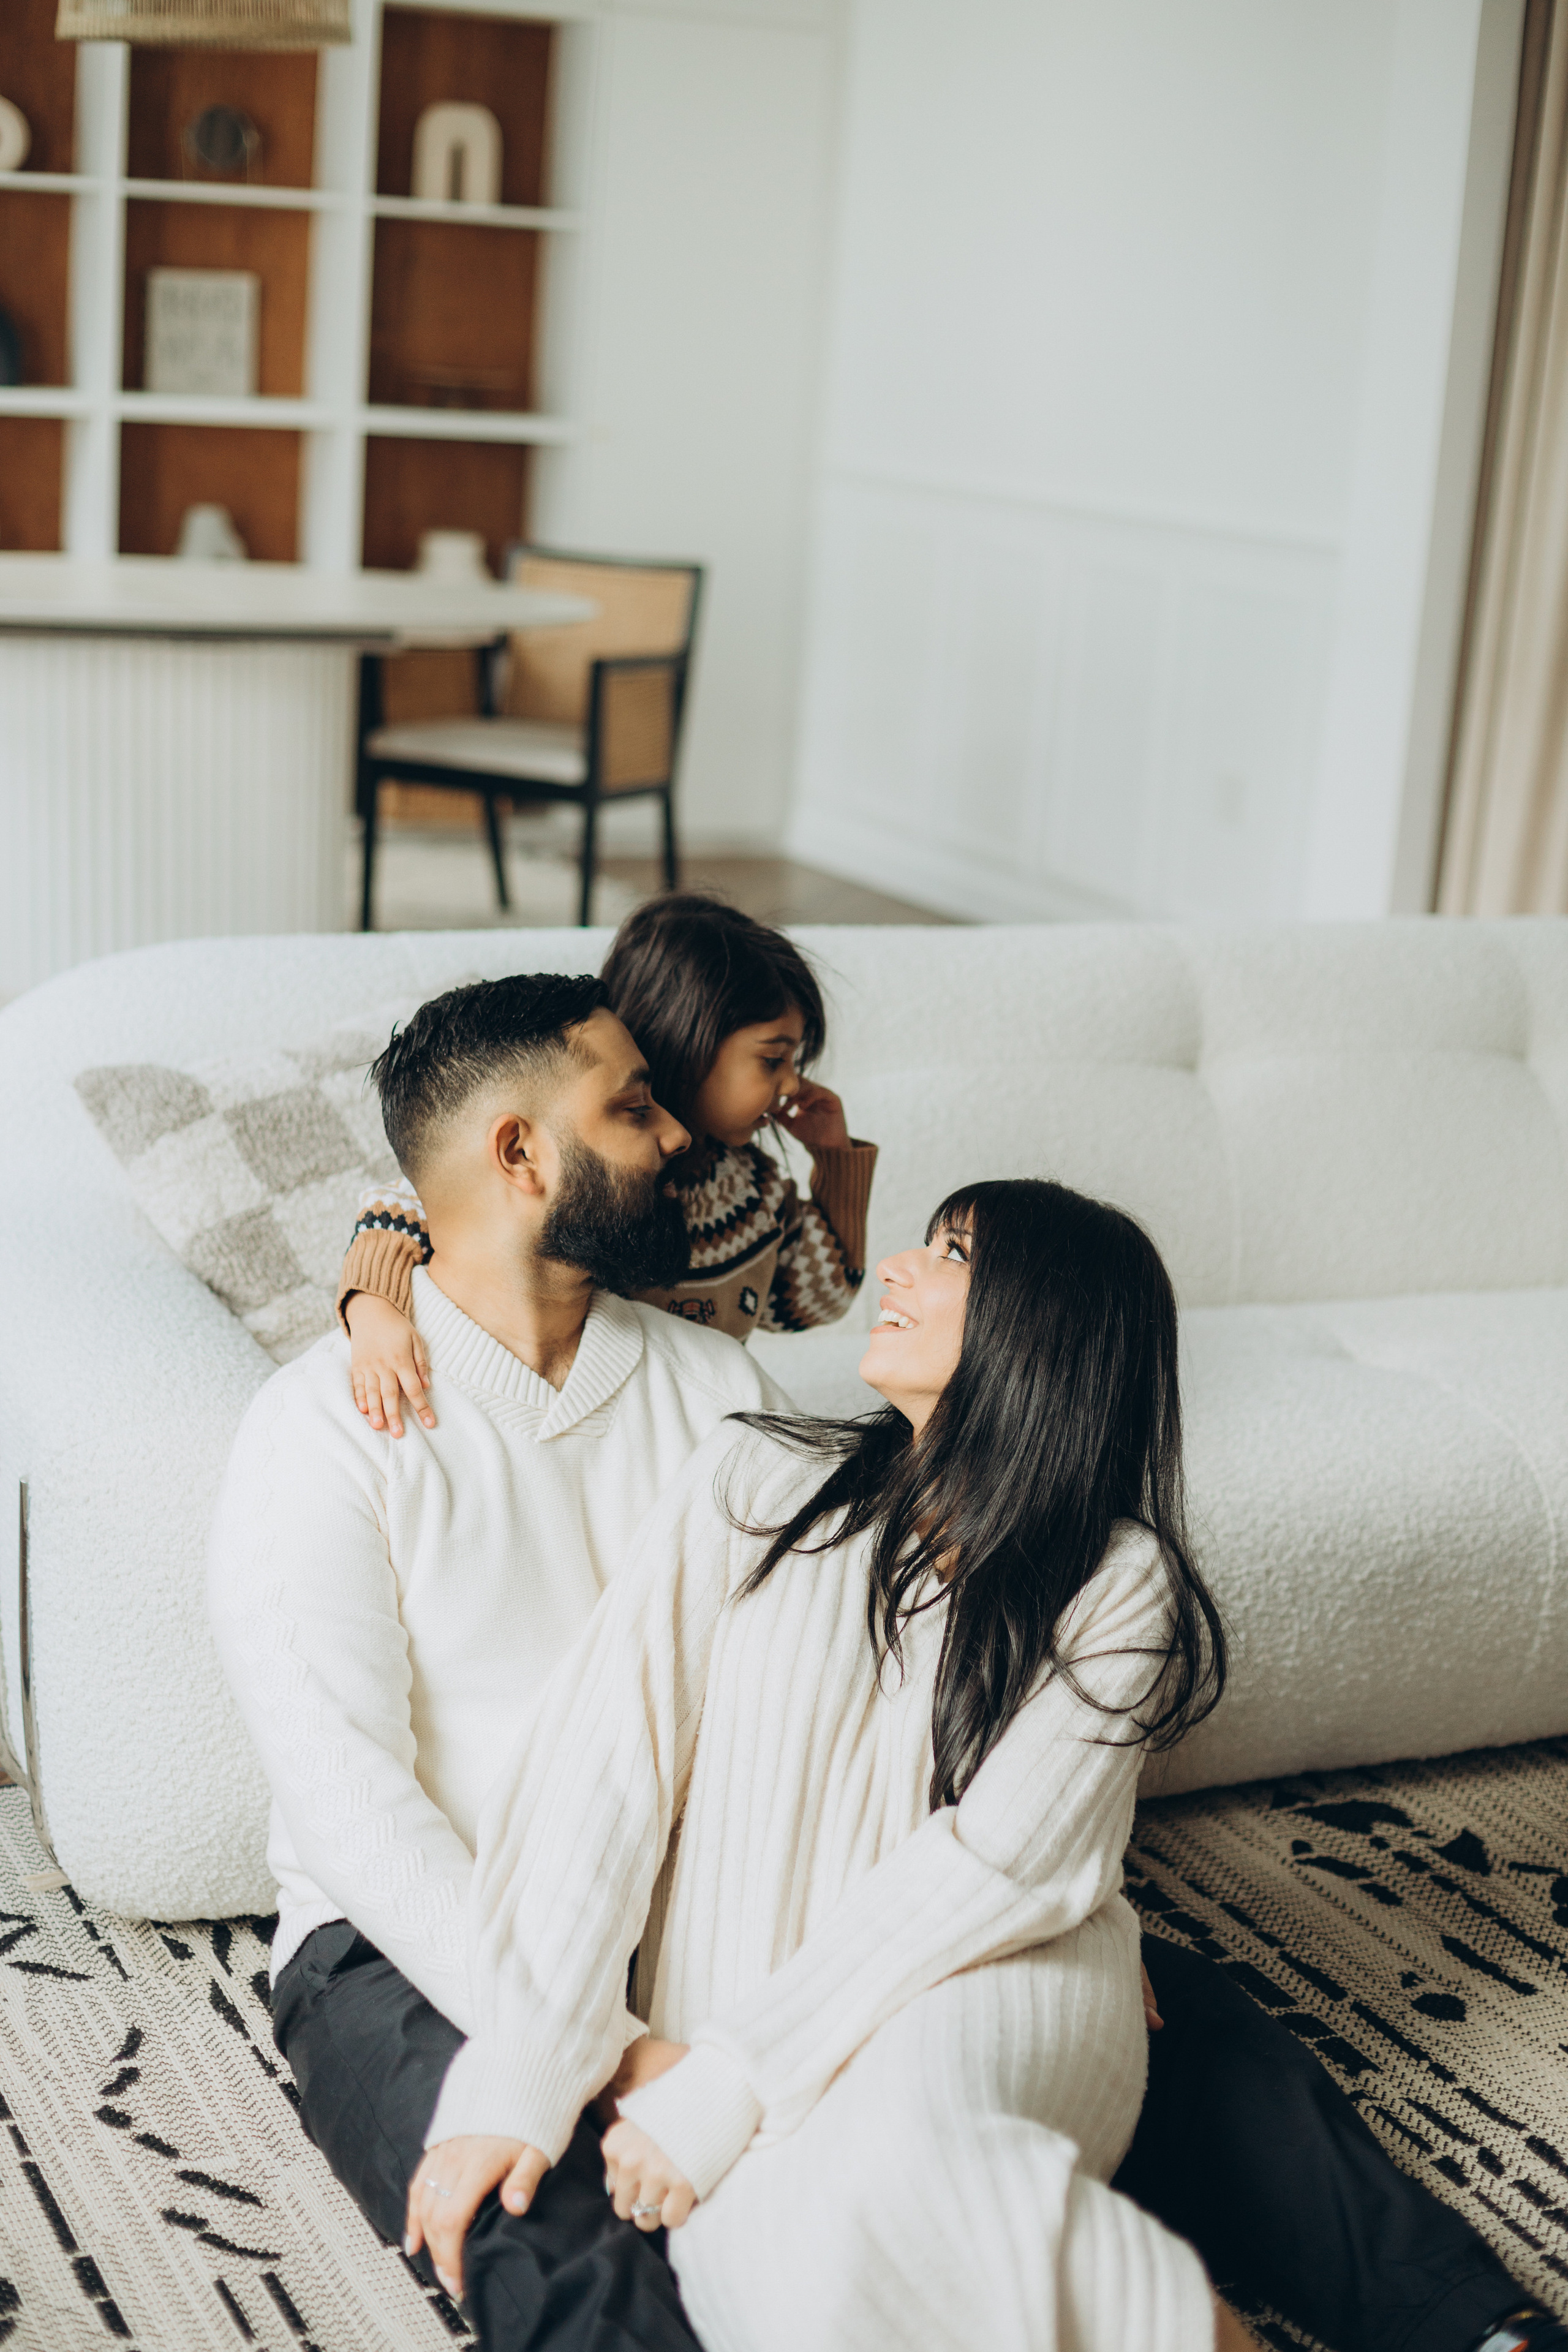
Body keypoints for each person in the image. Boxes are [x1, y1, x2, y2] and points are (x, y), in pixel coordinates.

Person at [407, 1178, 1248, 2350]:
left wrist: (730, 2081)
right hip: (742, 1987)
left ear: (1042, 1323)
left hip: (985, 1978)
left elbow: (997, 1869)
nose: (896, 1267)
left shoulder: (1116, 1578)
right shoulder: (752, 1480)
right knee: (789, 2275)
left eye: (952, 1253)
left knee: (922, 2161)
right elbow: (609, 1769)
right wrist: (524, 2075)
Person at [208, 970, 799, 2352]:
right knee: (559, 2236)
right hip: (400, 1951)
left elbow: (820, 1693)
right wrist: (602, 2048)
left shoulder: (719, 1392)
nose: (673, 1144)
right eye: (634, 1108)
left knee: (1106, 2038)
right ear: (518, 1152)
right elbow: (352, 1806)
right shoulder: (317, 1431)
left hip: (683, 1918)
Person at [339, 895, 878, 1440]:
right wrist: (373, 1312)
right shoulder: (597, 1179)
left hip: (689, 1430)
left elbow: (817, 1298)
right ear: (690, 1040)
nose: (792, 1084)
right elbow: (407, 1206)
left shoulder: (756, 1195)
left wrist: (835, 1160)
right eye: (772, 1059)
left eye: (795, 1061)